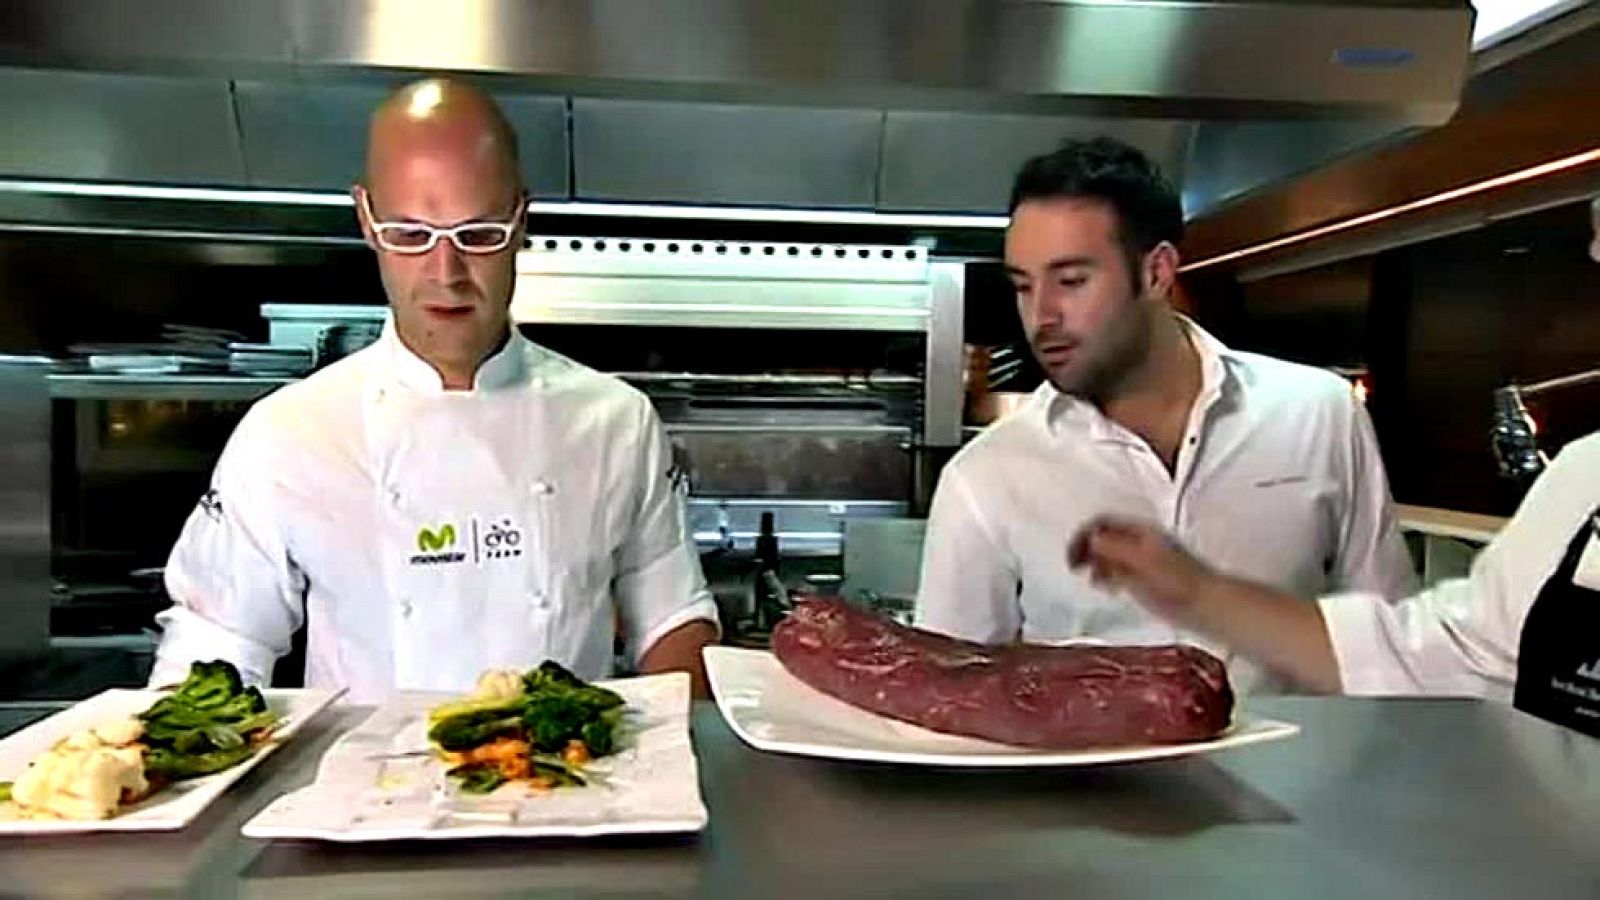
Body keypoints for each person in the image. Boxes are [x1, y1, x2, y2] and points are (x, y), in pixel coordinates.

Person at [149, 78, 719, 700]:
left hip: (571, 783)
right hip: (364, 792)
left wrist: (682, 754)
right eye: (410, 236)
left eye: (478, 236)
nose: (446, 275)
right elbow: (219, 642)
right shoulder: (288, 435)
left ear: (520, 221)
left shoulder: (616, 423)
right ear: (367, 220)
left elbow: (671, 619)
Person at [1068, 195, 1600, 737]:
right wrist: (1200, 596)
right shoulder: (1584, 482)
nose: (1593, 254)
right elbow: (1444, 652)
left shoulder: (1319, 408)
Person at [915, 137, 1416, 692]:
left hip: (1293, 777)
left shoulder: (1317, 416)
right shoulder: (985, 476)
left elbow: (1386, 649)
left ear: (1156, 272)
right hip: (1089, 782)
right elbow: (949, 695)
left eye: (1071, 281)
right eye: (1023, 287)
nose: (1041, 316)